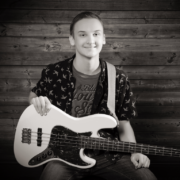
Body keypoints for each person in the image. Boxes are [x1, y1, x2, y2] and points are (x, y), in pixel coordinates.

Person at [29, 11, 157, 180]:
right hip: (62, 154)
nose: (90, 40)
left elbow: (124, 125)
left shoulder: (118, 77)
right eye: (82, 34)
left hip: (107, 153)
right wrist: (35, 101)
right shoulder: (54, 73)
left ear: (103, 38)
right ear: (72, 39)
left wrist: (135, 151)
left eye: (96, 34)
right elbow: (33, 96)